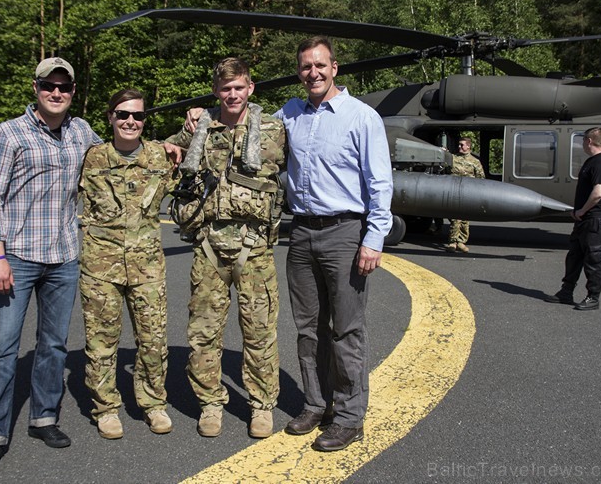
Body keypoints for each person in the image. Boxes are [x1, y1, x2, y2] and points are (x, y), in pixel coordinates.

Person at [0, 57, 102, 476]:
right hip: (16, 257)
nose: (56, 93)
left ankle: (44, 418)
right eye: (49, 85)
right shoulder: (7, 134)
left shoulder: (81, 132)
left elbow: (119, 153)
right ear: (36, 87)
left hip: (64, 256)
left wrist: (172, 142)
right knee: (2, 349)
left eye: (64, 87)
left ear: (73, 91)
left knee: (53, 345)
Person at [277, 36, 392, 452]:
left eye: (320, 65)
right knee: (308, 330)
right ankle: (315, 402)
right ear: (300, 71)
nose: (313, 73)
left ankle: (348, 416)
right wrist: (201, 119)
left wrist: (373, 238)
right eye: (306, 66)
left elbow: (380, 183)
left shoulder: (362, 118)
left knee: (346, 330)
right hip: (302, 231)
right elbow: (245, 125)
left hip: (345, 231)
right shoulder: (289, 114)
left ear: (335, 67)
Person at [166, 58, 286, 439]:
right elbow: (166, 151)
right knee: (203, 332)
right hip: (208, 246)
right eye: (225, 88)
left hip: (255, 249)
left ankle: (261, 405)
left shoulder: (274, 128)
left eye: (239, 87)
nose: (232, 94)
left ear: (251, 88)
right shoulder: (201, 127)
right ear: (217, 91)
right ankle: (210, 404)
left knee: (260, 332)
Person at [79, 89, 181, 439]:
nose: (130, 122)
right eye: (122, 114)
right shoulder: (91, 158)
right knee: (101, 342)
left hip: (147, 268)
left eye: (137, 116)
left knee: (153, 339)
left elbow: (193, 168)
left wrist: (188, 128)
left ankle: (153, 403)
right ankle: (105, 407)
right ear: (110, 117)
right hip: (100, 269)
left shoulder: (159, 157)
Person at [546, 127, 601, 311]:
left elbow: (598, 193)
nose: (583, 144)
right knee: (574, 257)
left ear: (589, 141)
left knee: (594, 260)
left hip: (595, 220)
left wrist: (582, 210)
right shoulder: (592, 161)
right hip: (584, 219)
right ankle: (566, 292)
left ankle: (593, 298)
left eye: (583, 141)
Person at [444, 137, 485, 252]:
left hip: (468, 194)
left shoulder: (475, 162)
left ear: (468, 146)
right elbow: (445, 171)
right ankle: (453, 242)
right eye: (459, 145)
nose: (459, 147)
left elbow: (481, 179)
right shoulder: (453, 158)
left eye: (462, 145)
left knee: (464, 218)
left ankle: (461, 241)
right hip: (453, 191)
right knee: (454, 217)